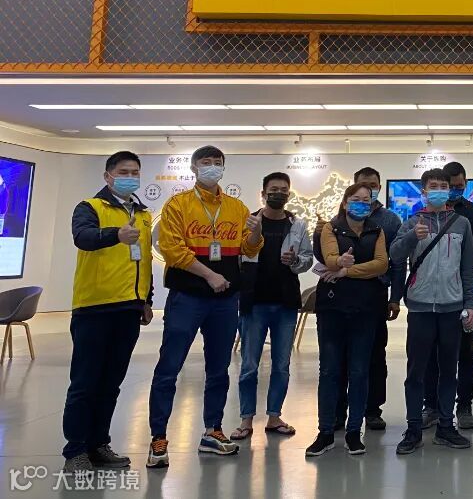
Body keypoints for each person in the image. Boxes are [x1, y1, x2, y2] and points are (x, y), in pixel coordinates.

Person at [147, 146, 263, 468]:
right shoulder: (178, 205)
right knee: (169, 367)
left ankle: (213, 430)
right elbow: (172, 249)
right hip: (187, 297)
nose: (212, 167)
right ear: (194, 167)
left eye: (217, 163)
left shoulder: (236, 207)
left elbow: (248, 249)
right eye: (206, 162)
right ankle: (158, 437)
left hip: (225, 300)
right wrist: (210, 275)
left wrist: (256, 233)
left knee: (219, 369)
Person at [62, 151, 155, 474]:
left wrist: (146, 299)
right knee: (85, 382)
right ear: (108, 176)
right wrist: (115, 234)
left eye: (135, 172)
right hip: (94, 307)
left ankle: (98, 444)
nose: (130, 177)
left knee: (111, 383)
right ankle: (75, 450)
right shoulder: (90, 207)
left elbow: (143, 259)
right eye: (123, 171)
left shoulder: (143, 214)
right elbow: (83, 238)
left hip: (129, 308)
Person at [390, 168, 473, 455]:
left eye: (443, 186)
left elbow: (467, 269)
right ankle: (413, 428)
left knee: (449, 370)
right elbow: (395, 255)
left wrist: (470, 304)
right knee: (416, 371)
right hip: (420, 307)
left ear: (449, 190)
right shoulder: (412, 222)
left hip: (452, 308)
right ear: (424, 191)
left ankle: (446, 427)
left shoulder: (461, 224)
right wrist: (411, 237)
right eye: (433, 186)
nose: (438, 190)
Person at [305, 184, 389, 457]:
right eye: (355, 199)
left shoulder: (377, 231)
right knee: (329, 371)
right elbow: (330, 260)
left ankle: (354, 432)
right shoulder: (331, 228)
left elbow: (381, 264)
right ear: (344, 202)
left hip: (366, 309)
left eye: (366, 200)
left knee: (359, 371)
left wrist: (346, 271)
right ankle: (325, 432)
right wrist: (339, 263)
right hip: (333, 308)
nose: (361, 204)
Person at [233, 173, 313, 442]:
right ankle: (245, 419)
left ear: (289, 194)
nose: (279, 193)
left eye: (283, 190)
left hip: (285, 302)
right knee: (249, 365)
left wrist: (295, 261)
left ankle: (274, 416)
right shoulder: (249, 222)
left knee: (282, 364)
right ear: (263, 193)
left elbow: (307, 259)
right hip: (254, 302)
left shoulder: (297, 225)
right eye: (273, 189)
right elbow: (239, 255)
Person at [422, 160, 473, 430]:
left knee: (465, 352)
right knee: (430, 353)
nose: (456, 190)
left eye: (461, 186)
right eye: (452, 186)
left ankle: (464, 406)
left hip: (461, 291)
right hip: (430, 295)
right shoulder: (422, 216)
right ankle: (432, 406)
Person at [353, 167, 404, 432]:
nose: (368, 190)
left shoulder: (390, 220)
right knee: (343, 357)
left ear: (379, 188)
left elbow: (398, 263)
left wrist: (395, 297)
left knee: (375, 355)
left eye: (373, 185)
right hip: (346, 294)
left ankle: (373, 410)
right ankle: (340, 411)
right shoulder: (339, 218)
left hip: (376, 294)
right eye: (363, 184)